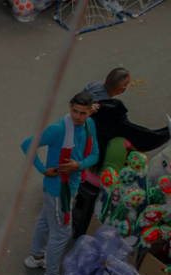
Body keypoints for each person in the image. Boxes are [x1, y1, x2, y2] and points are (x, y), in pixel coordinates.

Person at [73, 68, 170, 240]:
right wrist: (166, 132)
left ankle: (80, 201)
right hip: (98, 178)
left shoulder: (90, 105)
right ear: (121, 89)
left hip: (78, 164)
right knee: (132, 180)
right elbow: (144, 141)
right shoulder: (121, 139)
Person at [21, 93, 98, 275]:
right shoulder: (58, 129)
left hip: (68, 187)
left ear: (90, 111)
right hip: (58, 191)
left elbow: (94, 155)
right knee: (62, 234)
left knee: (46, 220)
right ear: (70, 106)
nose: (78, 117)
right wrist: (43, 169)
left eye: (83, 113)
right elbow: (27, 144)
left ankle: (37, 257)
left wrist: (78, 165)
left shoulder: (89, 124)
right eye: (75, 111)